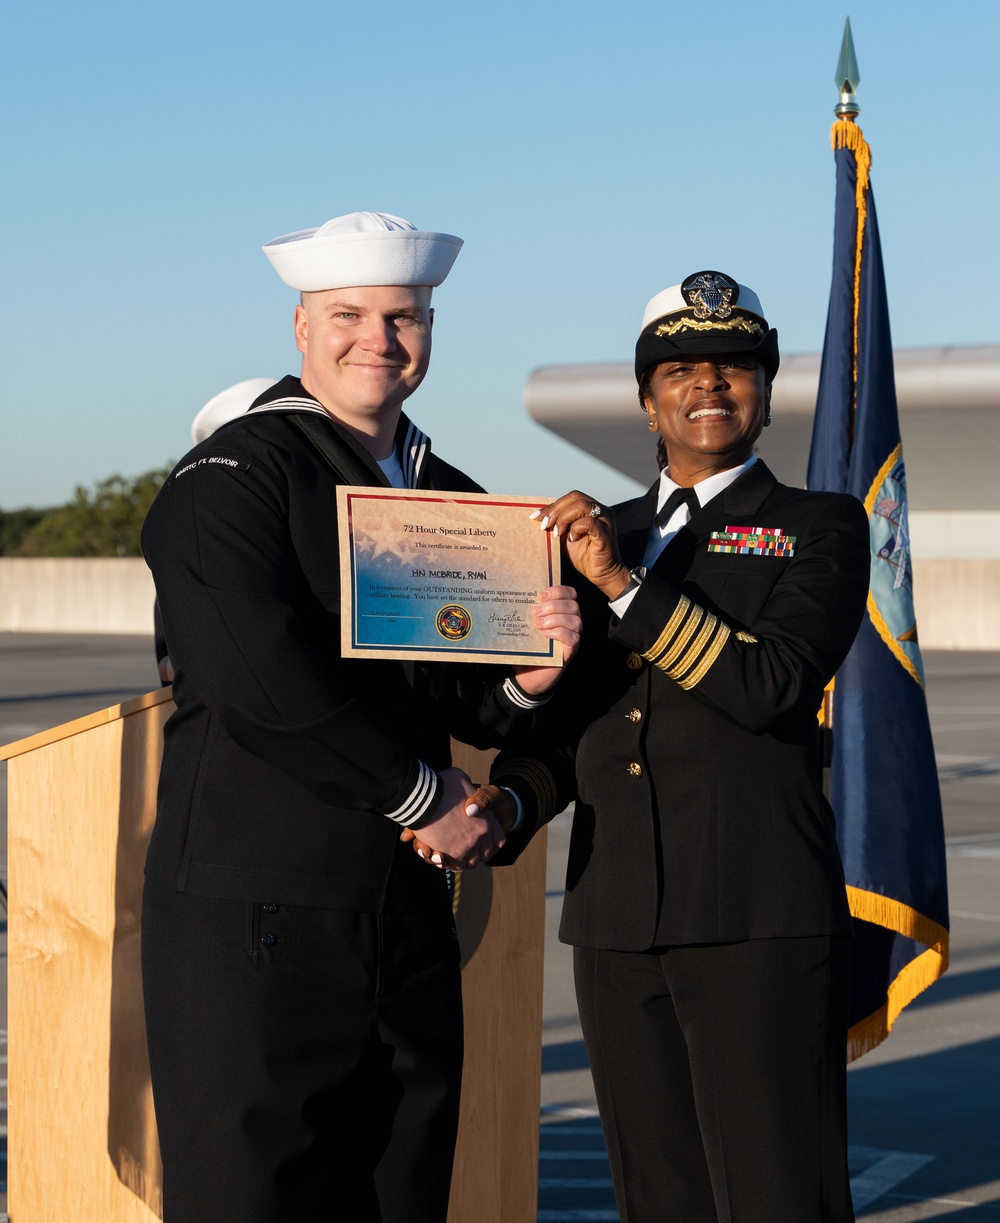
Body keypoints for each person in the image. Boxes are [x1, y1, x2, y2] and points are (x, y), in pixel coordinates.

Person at [139, 210, 579, 1223]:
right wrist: (423, 795)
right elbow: (255, 674)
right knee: (251, 1197)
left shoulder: (445, 493)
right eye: (349, 314)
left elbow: (461, 691)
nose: (378, 340)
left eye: (405, 316)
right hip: (260, 919)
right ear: (300, 328)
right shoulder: (236, 478)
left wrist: (533, 681)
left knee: (399, 1191)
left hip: (408, 916)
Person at [478, 271, 871, 1222]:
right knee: (658, 1199)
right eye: (682, 368)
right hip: (616, 921)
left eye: (735, 368)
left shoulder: (821, 527)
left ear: (768, 393)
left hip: (756, 921)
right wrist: (511, 800)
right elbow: (564, 731)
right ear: (647, 397)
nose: (710, 386)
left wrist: (619, 584)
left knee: (779, 1195)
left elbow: (769, 684)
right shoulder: (595, 534)